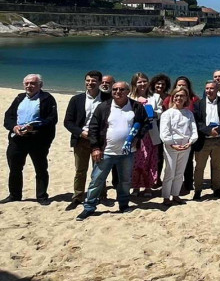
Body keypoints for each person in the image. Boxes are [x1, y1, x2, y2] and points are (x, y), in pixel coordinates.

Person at [78, 81, 149, 220]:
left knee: (125, 181)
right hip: (106, 152)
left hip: (127, 153)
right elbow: (93, 128)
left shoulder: (136, 106)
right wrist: (96, 148)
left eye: (122, 89)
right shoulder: (104, 107)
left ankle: (123, 205)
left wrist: (138, 136)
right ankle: (89, 207)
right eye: (115, 89)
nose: (118, 92)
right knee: (96, 181)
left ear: (128, 91)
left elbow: (145, 123)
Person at [2, 74, 58, 205]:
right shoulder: (19, 98)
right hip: (18, 139)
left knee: (40, 168)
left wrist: (34, 127)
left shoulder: (47, 99)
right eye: (26, 83)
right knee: (15, 168)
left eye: (33, 83)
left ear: (40, 85)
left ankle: (42, 196)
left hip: (38, 139)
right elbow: (8, 117)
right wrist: (13, 127)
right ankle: (14, 195)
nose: (29, 86)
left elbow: (52, 119)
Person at [62, 70, 109, 210]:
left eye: (94, 81)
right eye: (88, 80)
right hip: (81, 140)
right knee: (80, 170)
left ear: (100, 82)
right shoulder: (76, 100)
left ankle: (101, 195)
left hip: (100, 140)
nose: (90, 83)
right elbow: (68, 122)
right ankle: (77, 197)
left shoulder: (108, 98)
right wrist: (81, 132)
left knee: (99, 169)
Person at [193, 80, 220, 200]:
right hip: (203, 140)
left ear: (217, 90)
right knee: (199, 167)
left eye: (212, 88)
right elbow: (197, 122)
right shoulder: (198, 104)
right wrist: (208, 131)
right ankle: (198, 190)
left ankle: (217, 189)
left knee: (217, 165)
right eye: (207, 88)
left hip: (219, 140)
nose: (209, 91)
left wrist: (219, 130)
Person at [158, 86, 197, 205]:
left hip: (186, 146)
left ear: (186, 98)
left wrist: (190, 142)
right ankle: (166, 196)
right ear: (173, 97)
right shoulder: (167, 114)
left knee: (180, 172)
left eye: (182, 96)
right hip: (171, 147)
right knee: (170, 171)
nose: (179, 98)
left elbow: (193, 130)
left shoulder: (189, 113)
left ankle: (175, 194)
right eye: (177, 96)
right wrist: (171, 144)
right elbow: (164, 132)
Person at [129, 72, 159, 197]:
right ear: (135, 84)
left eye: (144, 81)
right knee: (135, 162)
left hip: (151, 133)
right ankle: (135, 187)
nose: (142, 84)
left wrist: (148, 108)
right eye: (139, 81)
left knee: (149, 161)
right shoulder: (130, 96)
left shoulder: (155, 97)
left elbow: (160, 113)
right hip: (134, 133)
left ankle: (148, 187)